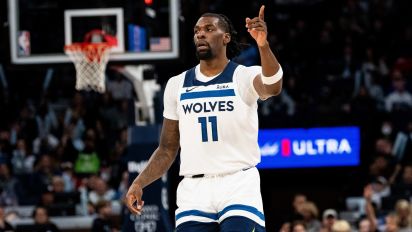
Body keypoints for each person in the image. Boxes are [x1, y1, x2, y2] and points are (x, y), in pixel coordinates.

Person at [125, 5, 283, 232]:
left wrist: (263, 45)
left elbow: (273, 85)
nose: (200, 33)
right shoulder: (176, 84)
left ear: (226, 37)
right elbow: (167, 149)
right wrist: (139, 182)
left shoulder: (243, 76)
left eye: (209, 29)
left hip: (238, 183)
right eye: (197, 30)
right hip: (194, 189)